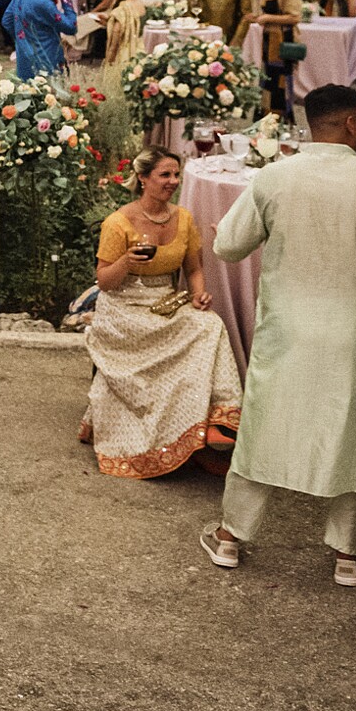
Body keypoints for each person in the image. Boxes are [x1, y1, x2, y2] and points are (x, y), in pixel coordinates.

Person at [204, 84, 356, 585]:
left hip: (287, 329)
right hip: (352, 330)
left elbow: (229, 246)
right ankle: (347, 554)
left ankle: (230, 537)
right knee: (352, 437)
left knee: (263, 431)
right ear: (353, 123)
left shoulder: (275, 176)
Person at [82, 149, 242, 478]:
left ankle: (211, 428)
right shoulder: (118, 222)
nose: (173, 181)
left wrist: (199, 295)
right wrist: (126, 261)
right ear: (143, 178)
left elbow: (194, 269)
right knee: (178, 334)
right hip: (122, 306)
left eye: (176, 175)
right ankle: (167, 436)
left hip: (164, 300)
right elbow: (105, 282)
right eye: (164, 175)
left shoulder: (183, 219)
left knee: (209, 324)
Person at [233, 0, 304, 110]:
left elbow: (295, 17)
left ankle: (279, 115)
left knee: (278, 80)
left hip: (281, 41)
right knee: (269, 77)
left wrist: (267, 18)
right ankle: (266, 113)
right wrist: (257, 17)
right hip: (270, 40)